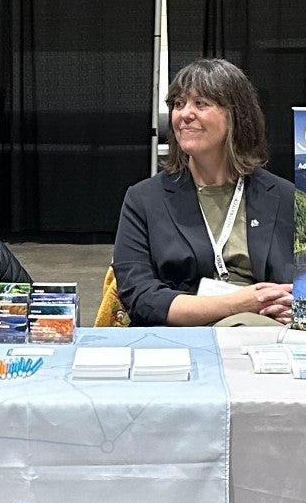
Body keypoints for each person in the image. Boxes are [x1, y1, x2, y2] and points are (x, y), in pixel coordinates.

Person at [112, 58, 295, 326]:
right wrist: (238, 304)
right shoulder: (144, 200)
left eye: (201, 104)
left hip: (268, 338)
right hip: (181, 336)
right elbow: (141, 298)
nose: (185, 114)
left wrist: (293, 308)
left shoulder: (284, 197)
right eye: (178, 104)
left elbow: (305, 287)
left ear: (236, 115)